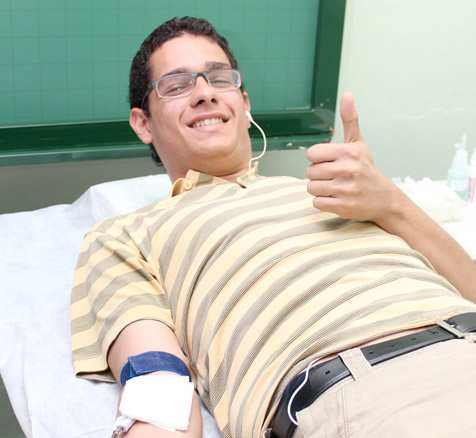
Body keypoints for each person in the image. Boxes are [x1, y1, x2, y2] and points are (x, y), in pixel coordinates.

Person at [70, 17, 476, 438]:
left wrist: (391, 203)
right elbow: (160, 394)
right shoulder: (127, 235)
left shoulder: (341, 190)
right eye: (176, 85)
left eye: (219, 78)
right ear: (143, 123)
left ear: (245, 104)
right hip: (367, 393)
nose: (205, 93)